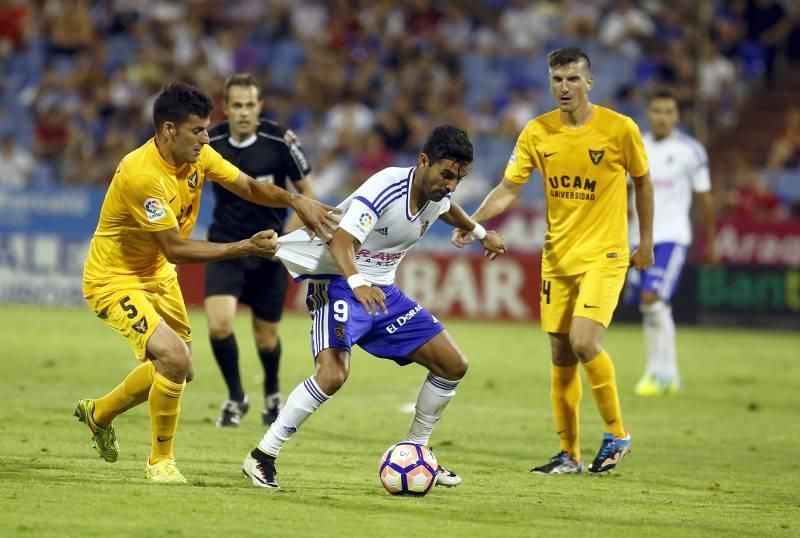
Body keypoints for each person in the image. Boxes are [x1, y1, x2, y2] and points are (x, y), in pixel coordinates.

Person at [75, 82, 339, 484]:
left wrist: (295, 200)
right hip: (115, 278)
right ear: (168, 130)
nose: (205, 137)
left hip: (157, 275)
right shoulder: (142, 175)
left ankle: (99, 414)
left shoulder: (200, 156)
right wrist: (244, 247)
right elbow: (176, 249)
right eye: (197, 130)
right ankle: (160, 461)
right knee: (174, 359)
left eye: (206, 128)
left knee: (180, 369)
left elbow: (248, 186)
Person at [241, 125, 506, 489]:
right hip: (340, 284)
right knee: (333, 374)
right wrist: (357, 282)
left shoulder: (437, 193)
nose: (451, 185)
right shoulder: (387, 187)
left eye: (459, 178)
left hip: (382, 294)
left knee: (453, 364)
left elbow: (449, 209)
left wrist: (479, 233)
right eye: (446, 174)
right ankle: (262, 455)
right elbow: (341, 241)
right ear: (423, 161)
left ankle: (416, 450)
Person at [452, 47, 654, 475]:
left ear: (589, 82)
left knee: (584, 342)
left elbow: (643, 182)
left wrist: (646, 242)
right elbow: (508, 188)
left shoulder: (620, 129)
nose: (565, 87)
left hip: (606, 254)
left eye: (573, 79)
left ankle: (617, 432)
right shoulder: (537, 132)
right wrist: (472, 222)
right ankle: (569, 455)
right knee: (561, 355)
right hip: (558, 258)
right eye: (558, 80)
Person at [205, 74, 319, 427]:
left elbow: (307, 197)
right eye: (236, 105)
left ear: (259, 107)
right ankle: (236, 397)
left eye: (249, 105)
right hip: (227, 246)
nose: (243, 112)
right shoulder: (210, 143)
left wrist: (283, 240)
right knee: (220, 325)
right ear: (226, 108)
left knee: (265, 337)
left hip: (270, 250)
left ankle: (272, 392)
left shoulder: (280, 142)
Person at [626, 90, 719, 397]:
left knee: (652, 297)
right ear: (648, 114)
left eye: (668, 111)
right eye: (657, 111)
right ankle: (666, 373)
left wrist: (711, 241)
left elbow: (704, 198)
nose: (662, 117)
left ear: (677, 116)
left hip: (671, 237)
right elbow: (624, 194)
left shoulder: (690, 151)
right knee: (649, 304)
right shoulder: (635, 144)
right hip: (636, 238)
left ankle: (660, 373)